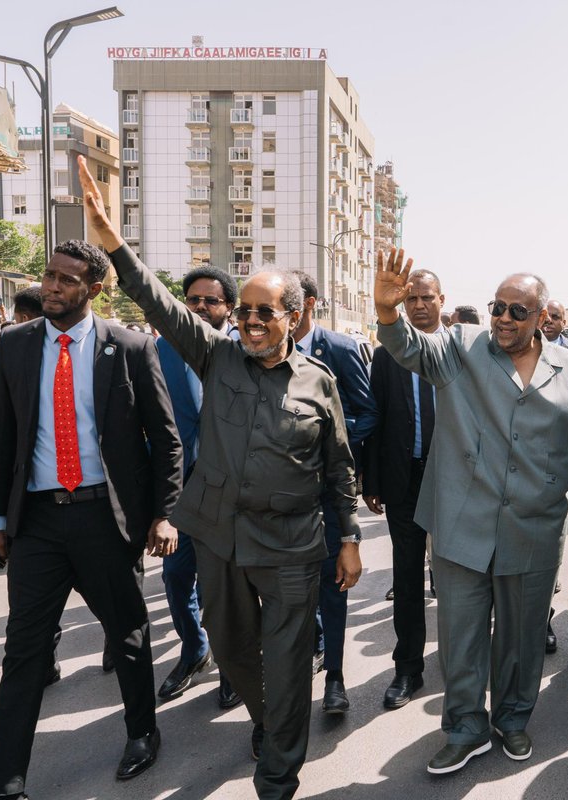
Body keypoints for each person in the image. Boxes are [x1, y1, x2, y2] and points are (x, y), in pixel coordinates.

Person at [76, 154, 361, 800]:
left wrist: (349, 537)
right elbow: (159, 302)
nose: (251, 323)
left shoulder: (321, 383)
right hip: (222, 540)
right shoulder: (216, 354)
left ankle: (277, 774)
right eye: (245, 313)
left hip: (290, 545)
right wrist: (114, 244)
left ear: (295, 317)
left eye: (266, 313)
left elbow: (340, 466)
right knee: (234, 653)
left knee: (288, 667)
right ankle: (271, 723)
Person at [373, 249, 568, 775]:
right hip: (461, 521)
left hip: (534, 524)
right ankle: (464, 728)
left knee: (523, 637)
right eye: (497, 307)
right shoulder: (461, 345)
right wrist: (388, 313)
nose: (503, 318)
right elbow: (410, 349)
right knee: (460, 635)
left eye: (516, 311)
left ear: (541, 316)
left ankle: (513, 719)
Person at [0, 239, 183, 799]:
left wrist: (164, 515)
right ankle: (6, 780)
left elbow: (165, 440)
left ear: (94, 289)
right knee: (23, 650)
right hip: (38, 523)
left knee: (129, 636)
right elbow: (3, 436)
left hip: (104, 519)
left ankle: (143, 733)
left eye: (67, 280)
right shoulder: (17, 344)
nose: (51, 287)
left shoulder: (132, 347)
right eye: (48, 275)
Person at [154, 266, 240, 708]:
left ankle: (233, 663)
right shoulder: (161, 348)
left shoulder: (249, 349)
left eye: (211, 300)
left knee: (227, 583)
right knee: (175, 575)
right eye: (193, 300)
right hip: (183, 488)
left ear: (229, 307)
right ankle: (194, 648)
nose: (201, 307)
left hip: (235, 493)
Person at [291, 271, 377, 715]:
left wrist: (329, 445)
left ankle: (336, 680)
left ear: (309, 303)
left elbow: (366, 412)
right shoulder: (258, 353)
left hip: (327, 492)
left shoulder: (340, 350)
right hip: (278, 501)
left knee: (332, 587)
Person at [364, 268, 445, 709]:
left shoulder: (462, 349)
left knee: (457, 579)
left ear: (441, 300)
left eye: (426, 297)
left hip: (454, 481)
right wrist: (372, 480)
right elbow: (376, 419)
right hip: (404, 479)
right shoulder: (386, 355)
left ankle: (459, 663)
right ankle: (408, 668)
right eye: (410, 298)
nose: (417, 305)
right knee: (409, 577)